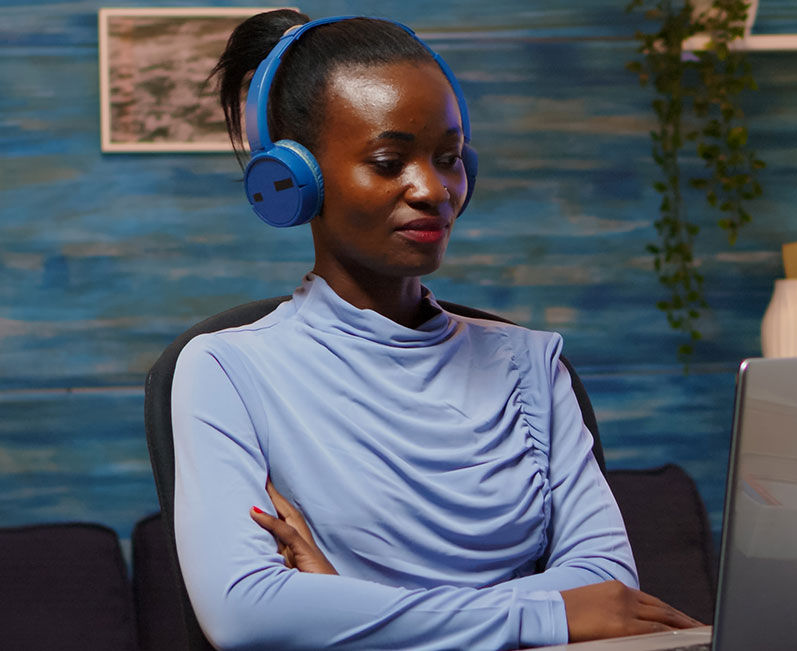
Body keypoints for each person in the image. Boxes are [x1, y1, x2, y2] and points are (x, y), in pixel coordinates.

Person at [171, 9, 703, 649]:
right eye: (389, 161)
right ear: (294, 182)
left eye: (448, 157)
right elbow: (247, 614)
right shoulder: (228, 370)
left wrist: (345, 604)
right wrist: (545, 614)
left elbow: (607, 584)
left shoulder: (532, 363)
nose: (433, 189)